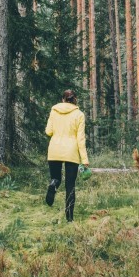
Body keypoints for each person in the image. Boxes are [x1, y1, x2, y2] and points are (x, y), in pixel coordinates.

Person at [44, 89, 89, 222]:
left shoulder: (54, 110)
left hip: (54, 150)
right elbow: (81, 139)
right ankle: (69, 218)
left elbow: (48, 131)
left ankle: (53, 184)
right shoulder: (79, 114)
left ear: (63, 99)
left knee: (56, 178)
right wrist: (85, 159)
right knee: (70, 186)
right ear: (75, 99)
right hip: (71, 151)